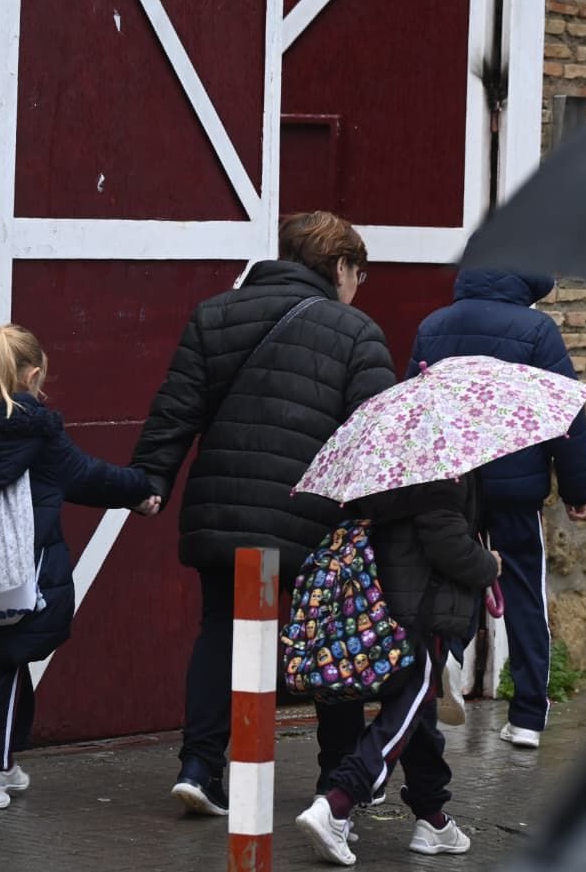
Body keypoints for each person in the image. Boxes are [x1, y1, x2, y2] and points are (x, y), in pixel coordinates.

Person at [132, 211, 396, 816]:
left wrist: (152, 479)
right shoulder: (357, 332)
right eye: (358, 272)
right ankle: (337, 783)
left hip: (223, 510)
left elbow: (176, 410)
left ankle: (200, 767)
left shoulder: (214, 314)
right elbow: (370, 441)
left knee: (221, 630)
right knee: (331, 639)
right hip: (313, 520)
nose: (358, 287)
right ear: (338, 267)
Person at [0, 324, 160, 810]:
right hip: (21, 575)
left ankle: (4, 760)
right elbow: (88, 477)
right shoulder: (37, 432)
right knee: (5, 665)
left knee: (6, 662)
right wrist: (141, 489)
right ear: (32, 376)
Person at [406, 269, 586, 749]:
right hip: (516, 487)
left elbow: (412, 406)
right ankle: (528, 717)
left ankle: (445, 663)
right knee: (526, 594)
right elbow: (566, 416)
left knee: (457, 580)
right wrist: (578, 489)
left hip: (452, 485)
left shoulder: (433, 326)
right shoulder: (536, 330)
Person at [295, 476, 501, 865]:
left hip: (391, 599)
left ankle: (432, 819)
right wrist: (488, 565)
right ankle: (338, 803)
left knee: (416, 716)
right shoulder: (443, 469)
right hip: (425, 607)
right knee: (409, 705)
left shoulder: (391, 467)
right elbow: (446, 543)